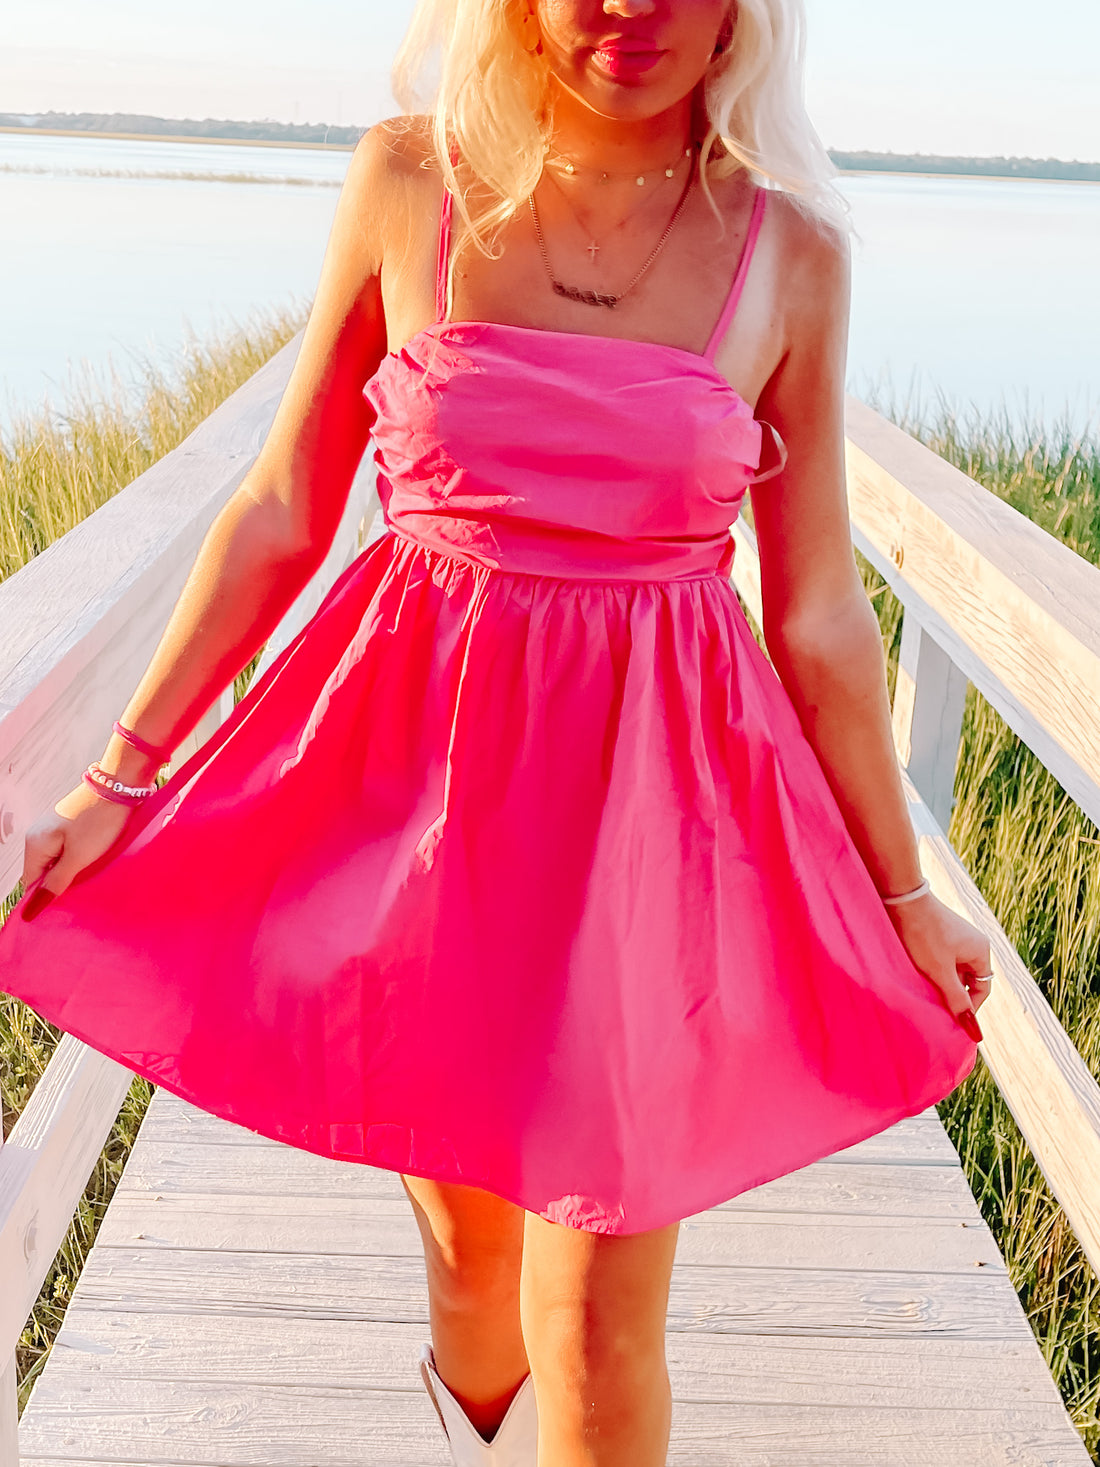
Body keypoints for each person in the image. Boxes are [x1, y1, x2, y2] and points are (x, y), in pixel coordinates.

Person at [1, 0, 994, 1463]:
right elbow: (283, 507)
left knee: (595, 1310)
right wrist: (117, 778)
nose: (631, 11)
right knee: (475, 1266)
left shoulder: (792, 253)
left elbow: (824, 617)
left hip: (649, 831)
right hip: (424, 806)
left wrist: (905, 894)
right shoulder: (412, 179)